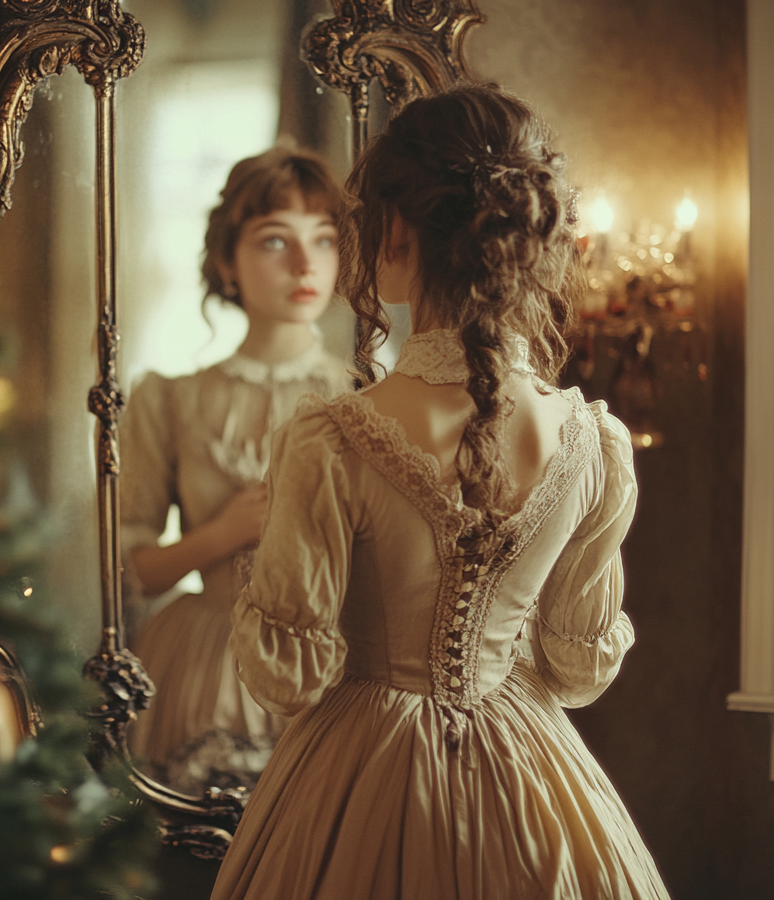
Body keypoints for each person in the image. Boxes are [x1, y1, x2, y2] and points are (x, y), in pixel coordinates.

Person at [211, 86, 670, 899]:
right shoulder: (591, 442)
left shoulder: (333, 438)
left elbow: (290, 678)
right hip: (533, 774)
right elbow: (573, 665)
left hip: (360, 774)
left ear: (395, 229)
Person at [121, 145, 352, 795]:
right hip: (201, 663)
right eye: (276, 241)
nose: (306, 265)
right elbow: (130, 569)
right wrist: (220, 534)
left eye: (325, 240)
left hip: (330, 666)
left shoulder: (365, 396)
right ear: (228, 260)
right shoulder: (167, 399)